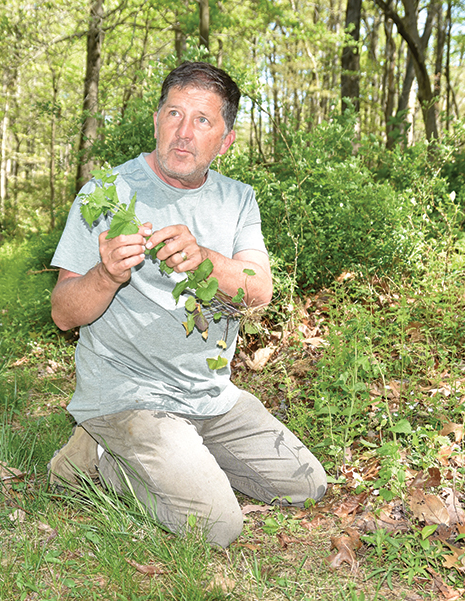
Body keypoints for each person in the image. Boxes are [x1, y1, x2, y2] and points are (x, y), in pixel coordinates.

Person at [48, 61, 326, 548]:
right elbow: (63, 314)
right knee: (219, 526)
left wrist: (205, 259)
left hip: (209, 395)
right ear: (156, 120)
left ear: (226, 140)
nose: (184, 131)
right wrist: (107, 273)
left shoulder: (238, 199)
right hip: (129, 394)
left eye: (203, 120)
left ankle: (147, 456)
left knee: (306, 484)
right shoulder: (106, 193)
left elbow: (259, 291)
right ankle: (105, 454)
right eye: (174, 113)